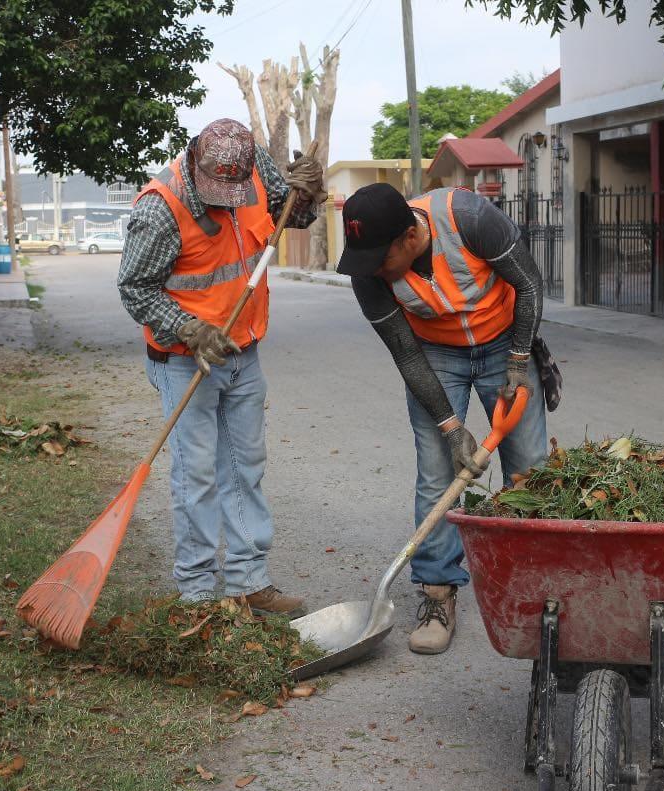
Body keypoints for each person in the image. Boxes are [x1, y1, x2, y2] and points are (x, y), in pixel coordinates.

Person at [336, 182, 560, 654]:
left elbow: (529, 283)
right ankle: (438, 595)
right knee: (438, 472)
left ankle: (541, 589)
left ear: (408, 239)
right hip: (435, 354)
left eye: (380, 258)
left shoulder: (469, 218)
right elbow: (405, 353)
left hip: (505, 340)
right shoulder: (368, 272)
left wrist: (519, 361)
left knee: (530, 468)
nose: (372, 269)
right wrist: (451, 428)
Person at [116, 118, 324, 613]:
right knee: (197, 477)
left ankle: (248, 581)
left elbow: (288, 216)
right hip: (185, 361)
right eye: (217, 192)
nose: (228, 200)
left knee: (245, 469)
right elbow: (134, 288)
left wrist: (309, 196)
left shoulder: (253, 169)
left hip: (243, 352)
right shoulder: (160, 208)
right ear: (193, 160)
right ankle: (198, 593)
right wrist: (189, 329)